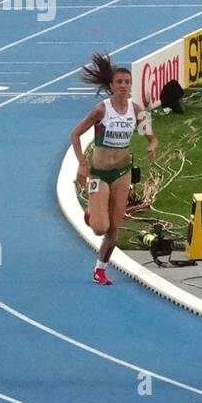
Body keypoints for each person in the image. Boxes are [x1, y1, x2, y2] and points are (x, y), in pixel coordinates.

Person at [70, 52, 158, 285]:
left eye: (127, 82)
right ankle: (92, 214)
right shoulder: (101, 110)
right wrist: (82, 163)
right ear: (111, 86)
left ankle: (100, 269)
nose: (123, 86)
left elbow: (152, 136)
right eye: (119, 82)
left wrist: (152, 145)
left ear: (131, 86)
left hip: (122, 174)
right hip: (99, 173)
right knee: (100, 228)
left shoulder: (137, 110)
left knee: (114, 230)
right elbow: (75, 134)